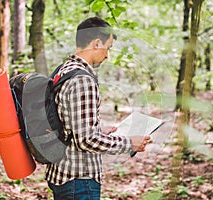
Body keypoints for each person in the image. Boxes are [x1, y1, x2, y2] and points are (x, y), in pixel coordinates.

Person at [45, 16, 150, 200]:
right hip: (79, 179)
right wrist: (129, 143)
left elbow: (69, 126)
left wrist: (99, 131)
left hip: (62, 173)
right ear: (96, 43)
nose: (107, 55)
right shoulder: (82, 79)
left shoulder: (63, 70)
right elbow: (86, 141)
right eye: (107, 48)